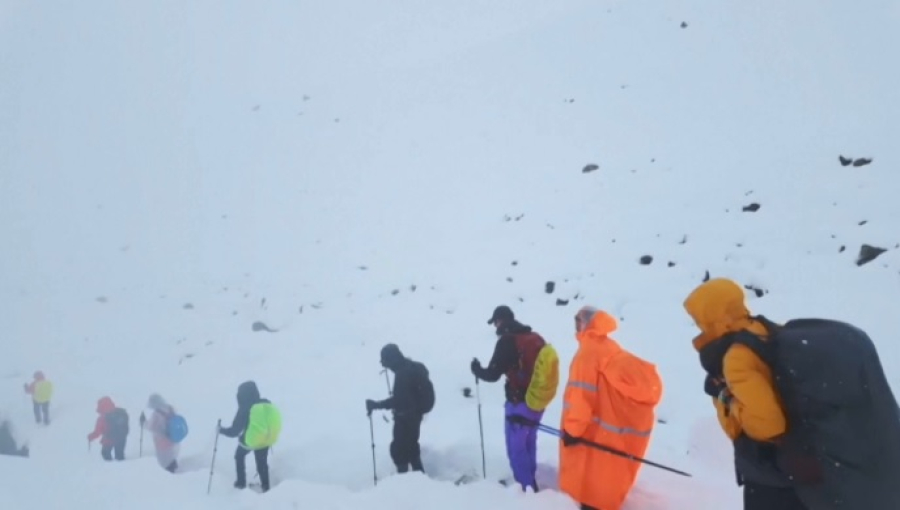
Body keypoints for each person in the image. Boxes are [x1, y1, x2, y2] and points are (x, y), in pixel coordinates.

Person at [685, 278, 900, 510]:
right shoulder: (766, 332)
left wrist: (725, 396)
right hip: (802, 469)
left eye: (699, 320)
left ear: (711, 317)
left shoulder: (737, 356)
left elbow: (768, 426)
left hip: (771, 475)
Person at [558, 306, 662, 510]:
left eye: (578, 321)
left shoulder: (587, 355)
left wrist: (572, 431)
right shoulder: (609, 347)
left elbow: (581, 398)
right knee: (605, 483)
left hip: (592, 435)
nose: (576, 326)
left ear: (586, 324)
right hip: (612, 433)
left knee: (588, 487)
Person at [471, 305, 559, 492]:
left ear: (500, 321)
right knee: (529, 443)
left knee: (516, 449)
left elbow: (492, 374)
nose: (495, 327)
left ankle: (525, 490)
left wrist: (476, 370)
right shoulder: (535, 338)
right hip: (537, 401)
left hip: (519, 403)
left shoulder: (507, 342)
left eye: (495, 323)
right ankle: (530, 482)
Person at [366, 344, 434, 474]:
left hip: (406, 417)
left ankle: (403, 481)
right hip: (416, 414)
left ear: (392, 360)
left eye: (386, 362)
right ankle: (419, 478)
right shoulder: (413, 367)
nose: (385, 366)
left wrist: (376, 405)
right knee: (412, 447)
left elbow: (398, 400)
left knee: (399, 450)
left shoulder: (403, 374)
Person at [219, 381, 281, 493]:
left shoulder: (245, 408)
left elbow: (234, 431)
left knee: (239, 456)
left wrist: (221, 430)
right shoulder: (265, 403)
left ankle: (241, 483)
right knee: (262, 463)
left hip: (251, 440)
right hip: (266, 439)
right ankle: (266, 487)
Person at [140, 394, 179, 473]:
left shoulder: (157, 414)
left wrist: (143, 422)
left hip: (162, 441)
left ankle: (169, 475)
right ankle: (174, 468)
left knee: (164, 461)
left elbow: (150, 426)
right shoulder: (171, 409)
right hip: (172, 439)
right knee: (170, 456)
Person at [87, 396, 129, 461]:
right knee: (119, 456)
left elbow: (97, 432)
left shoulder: (102, 418)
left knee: (105, 453)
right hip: (121, 438)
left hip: (109, 439)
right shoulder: (120, 412)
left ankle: (109, 466)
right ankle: (123, 466)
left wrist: (91, 437)